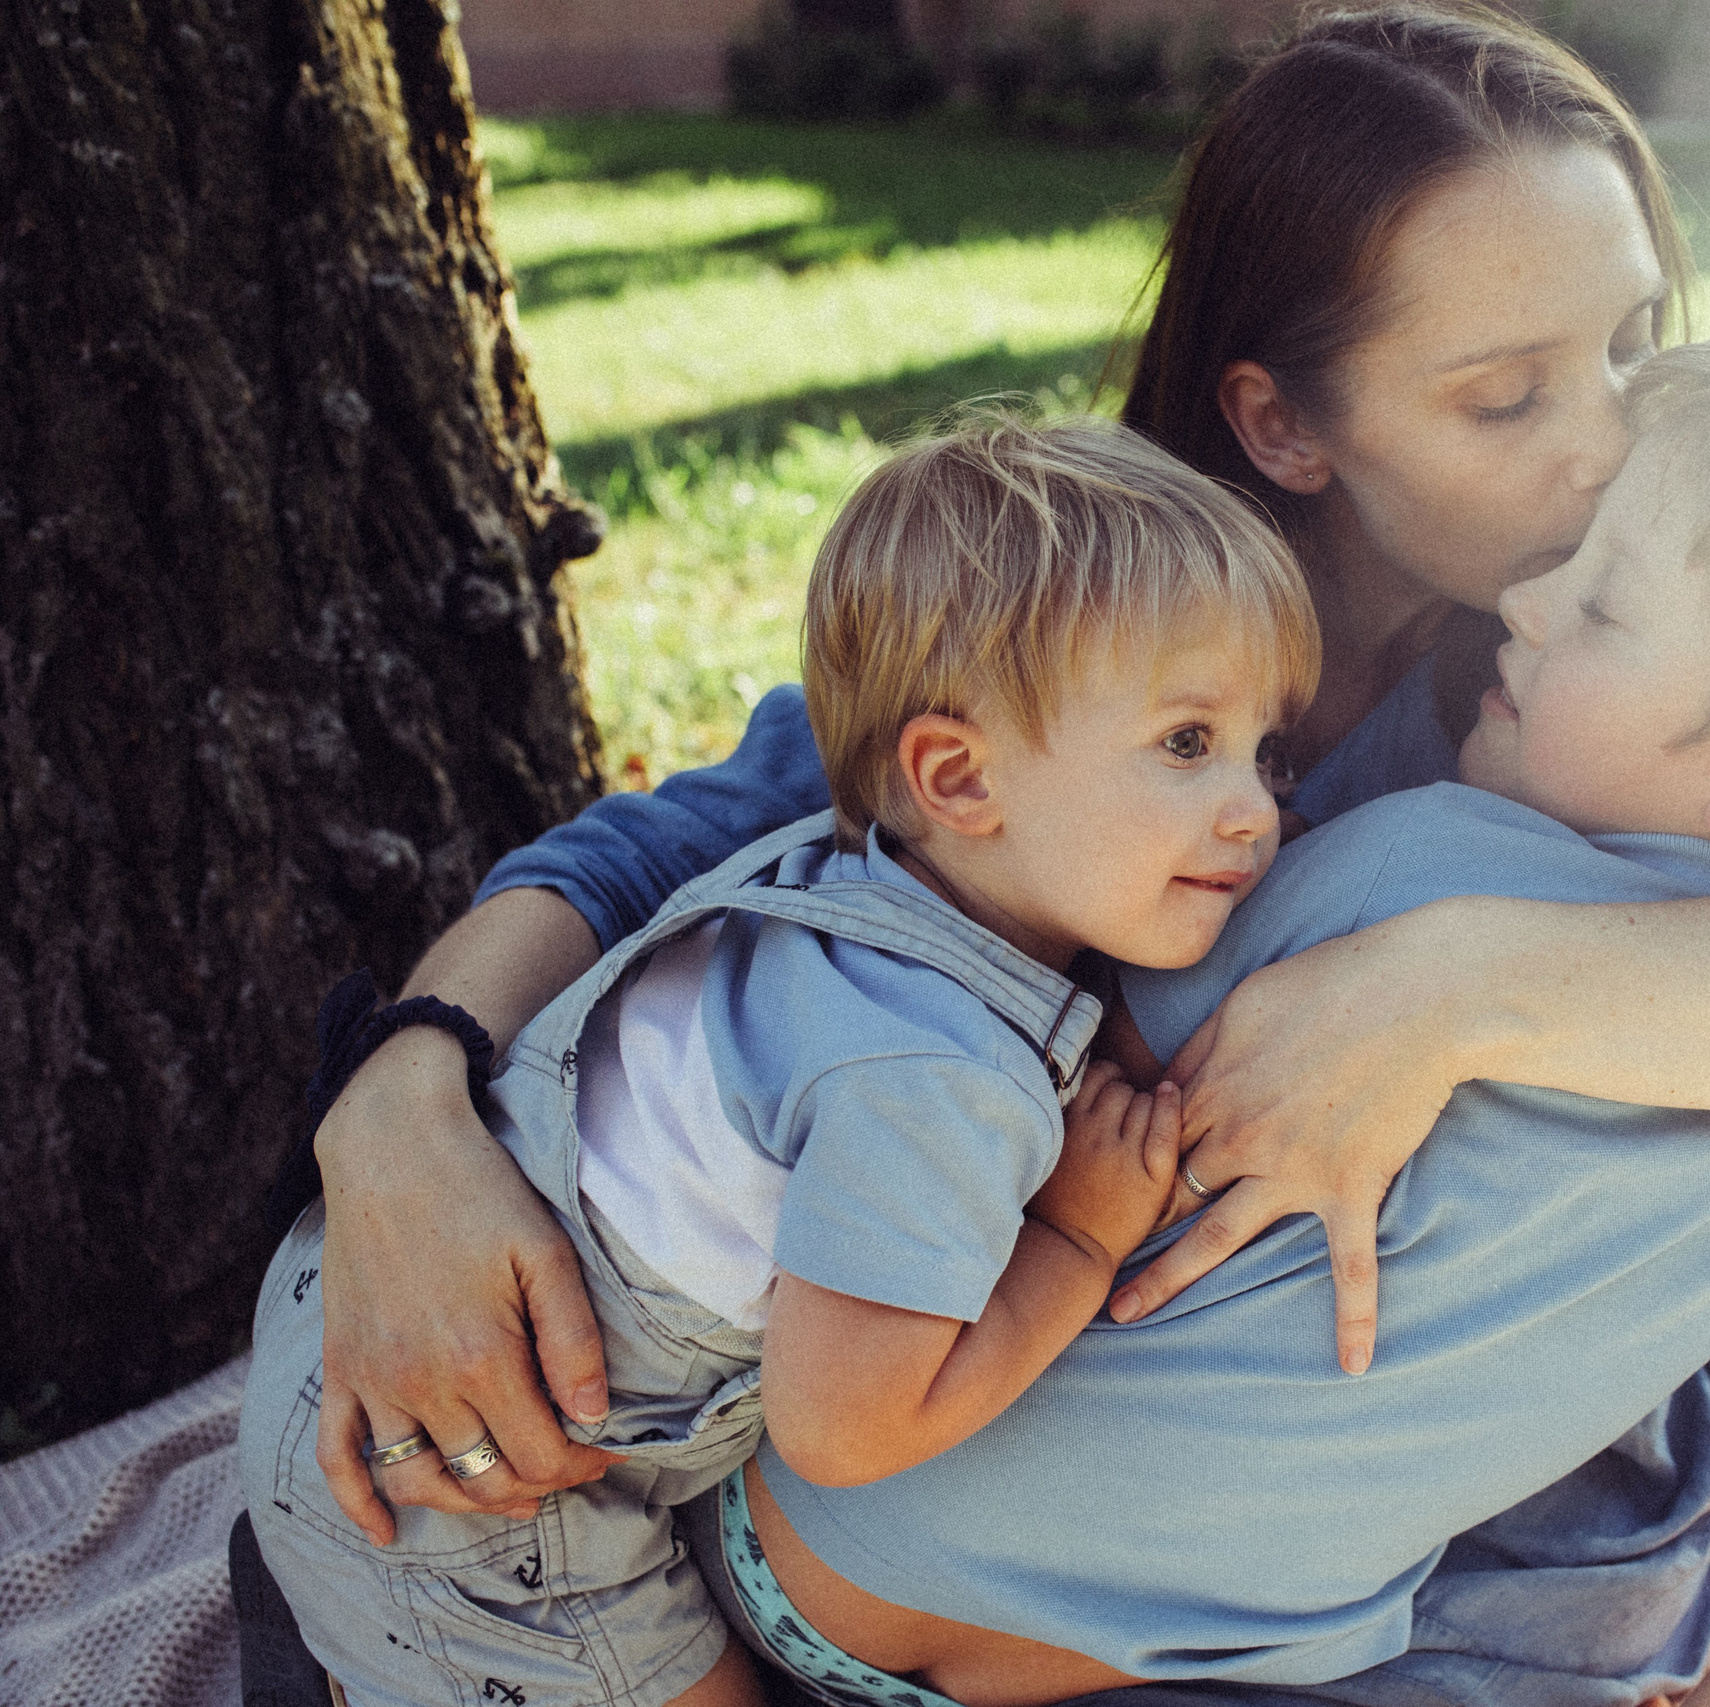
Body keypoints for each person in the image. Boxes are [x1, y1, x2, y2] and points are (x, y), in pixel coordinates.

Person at [260, 2, 1710, 1698]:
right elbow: (675, 851)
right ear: (1282, 421)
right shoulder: (1118, 647)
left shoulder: (1643, 691)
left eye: (1631, 344)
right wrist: (403, 1106)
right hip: (1009, 1534)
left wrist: (1449, 986)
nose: (1613, 441)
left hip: (1485, 1581)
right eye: (1507, 394)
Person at [716, 323, 1710, 1707]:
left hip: (820, 1552)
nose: (1525, 602)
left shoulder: (1417, 865)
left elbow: (990, 1074)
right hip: (1145, 1667)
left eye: (1601, 603)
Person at [241, 416, 1321, 1707]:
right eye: (1187, 744)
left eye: (1268, 752)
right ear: (958, 778)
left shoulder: (846, 880)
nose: (1256, 807)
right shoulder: (937, 1074)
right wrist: (1080, 1242)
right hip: (481, 1507)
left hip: (336, 1321)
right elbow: (845, 1424)